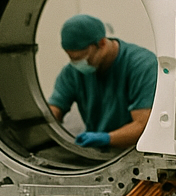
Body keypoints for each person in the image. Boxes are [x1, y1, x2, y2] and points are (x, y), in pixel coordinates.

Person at [48, 13, 158, 149]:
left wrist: (107, 138)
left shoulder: (142, 66)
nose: (77, 64)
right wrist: (46, 121)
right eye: (72, 59)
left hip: (133, 152)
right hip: (97, 153)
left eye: (82, 58)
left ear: (102, 43)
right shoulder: (72, 72)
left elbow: (143, 125)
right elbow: (55, 108)